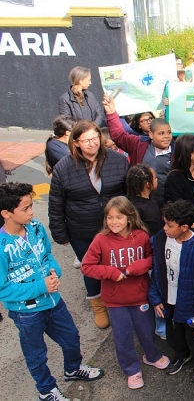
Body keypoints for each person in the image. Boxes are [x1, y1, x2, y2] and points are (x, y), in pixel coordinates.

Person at [0, 182, 105, 401]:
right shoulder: (1, 246)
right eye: (25, 208)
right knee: (36, 354)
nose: (32, 212)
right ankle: (46, 391)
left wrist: (54, 271)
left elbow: (48, 256)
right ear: (6, 213)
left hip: (53, 301)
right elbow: (4, 289)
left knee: (71, 338)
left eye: (31, 206)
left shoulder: (36, 227)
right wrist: (41, 286)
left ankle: (73, 369)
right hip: (26, 313)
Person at [81, 196, 169, 389]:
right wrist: (111, 273)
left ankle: (152, 356)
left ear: (129, 217)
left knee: (146, 331)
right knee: (123, 336)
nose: (114, 222)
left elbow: (151, 258)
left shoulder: (141, 235)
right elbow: (87, 267)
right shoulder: (101, 239)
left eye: (119, 217)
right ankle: (132, 369)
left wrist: (134, 268)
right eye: (110, 218)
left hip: (140, 296)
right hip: (115, 300)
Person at [48, 120, 129, 329]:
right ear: (75, 143)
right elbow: (56, 203)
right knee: (91, 267)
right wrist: (60, 233)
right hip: (82, 229)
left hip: (114, 227)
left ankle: (118, 301)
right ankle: (98, 304)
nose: (92, 144)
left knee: (115, 265)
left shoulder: (119, 160)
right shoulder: (63, 168)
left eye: (95, 138)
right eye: (86, 141)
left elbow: (129, 194)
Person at [148, 200, 194, 381]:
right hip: (168, 301)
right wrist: (155, 298)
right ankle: (181, 354)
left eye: (169, 225)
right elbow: (157, 270)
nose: (165, 228)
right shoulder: (160, 239)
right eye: (165, 223)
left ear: (185, 227)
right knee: (174, 334)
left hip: (191, 306)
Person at [103, 96, 173, 207]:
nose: (166, 137)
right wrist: (111, 113)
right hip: (139, 206)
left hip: (167, 206)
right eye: (161, 133)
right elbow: (119, 136)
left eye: (169, 133)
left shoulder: (177, 151)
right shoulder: (139, 144)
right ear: (151, 135)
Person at [126, 164, 163, 236]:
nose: (157, 180)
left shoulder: (152, 199)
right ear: (147, 184)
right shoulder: (136, 207)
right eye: (155, 178)